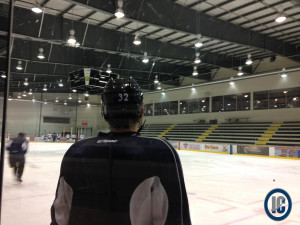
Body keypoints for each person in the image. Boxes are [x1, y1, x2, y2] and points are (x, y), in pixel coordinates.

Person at [51, 78, 191, 225]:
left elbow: (60, 216)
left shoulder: (76, 151)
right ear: (141, 112)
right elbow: (175, 220)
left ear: (103, 113)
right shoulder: (160, 152)